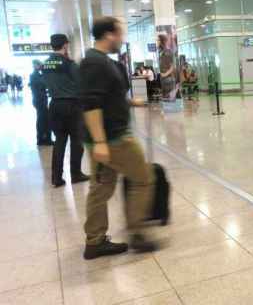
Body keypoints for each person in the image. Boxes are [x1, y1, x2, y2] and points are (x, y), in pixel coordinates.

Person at [78, 16, 157, 260]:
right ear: (109, 34)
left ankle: (95, 241)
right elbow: (91, 104)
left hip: (107, 139)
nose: (122, 39)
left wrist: (131, 102)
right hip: (114, 140)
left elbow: (106, 97)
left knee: (101, 188)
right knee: (144, 178)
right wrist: (100, 142)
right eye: (120, 34)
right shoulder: (94, 62)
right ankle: (137, 234)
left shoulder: (101, 61)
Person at [42, 34, 89, 187]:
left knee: (60, 141)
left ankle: (57, 177)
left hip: (54, 105)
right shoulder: (68, 64)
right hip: (72, 106)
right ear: (65, 45)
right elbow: (81, 83)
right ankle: (76, 174)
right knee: (77, 141)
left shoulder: (46, 64)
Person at [29, 60, 53, 146]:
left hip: (40, 100)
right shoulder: (34, 75)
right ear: (35, 65)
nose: (41, 66)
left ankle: (44, 139)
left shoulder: (37, 75)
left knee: (43, 120)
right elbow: (44, 84)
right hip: (39, 101)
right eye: (39, 65)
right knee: (43, 120)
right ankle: (44, 139)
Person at [157, 34, 176, 99]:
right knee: (166, 101)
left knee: (169, 101)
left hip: (168, 79)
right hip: (164, 79)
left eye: (158, 40)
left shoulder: (167, 52)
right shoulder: (160, 52)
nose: (157, 42)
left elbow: (172, 66)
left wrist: (165, 74)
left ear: (162, 41)